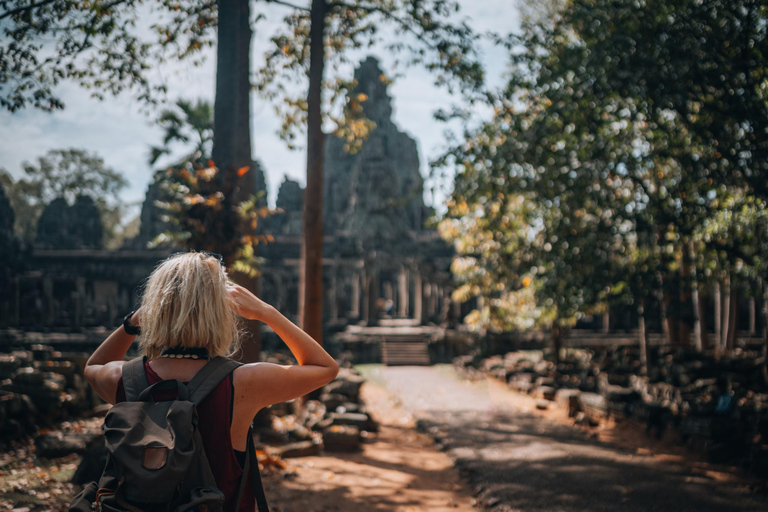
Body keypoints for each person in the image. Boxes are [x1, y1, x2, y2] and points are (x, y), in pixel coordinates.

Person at [83, 251, 340, 511]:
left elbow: (93, 365)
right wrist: (266, 312)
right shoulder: (241, 382)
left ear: (155, 307)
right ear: (219, 312)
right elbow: (325, 367)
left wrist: (132, 324)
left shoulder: (123, 379)